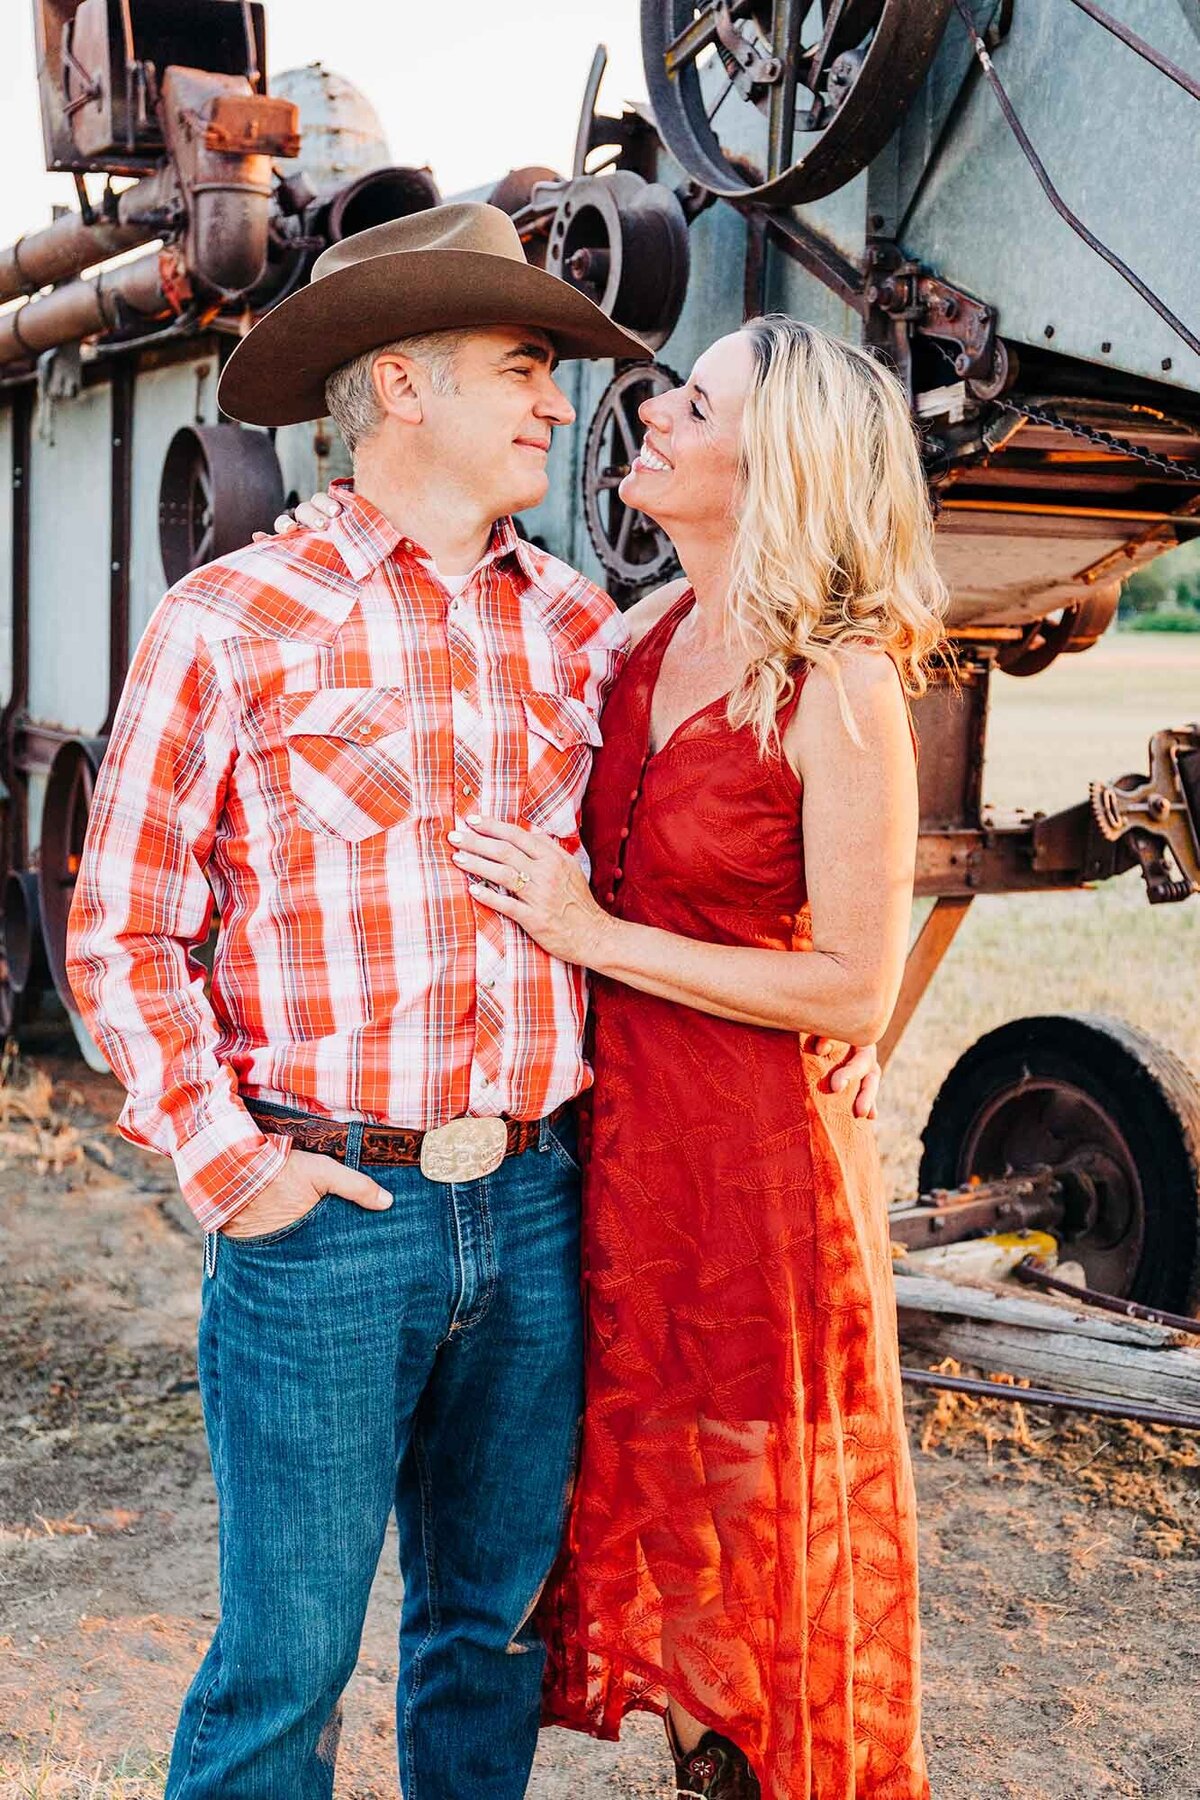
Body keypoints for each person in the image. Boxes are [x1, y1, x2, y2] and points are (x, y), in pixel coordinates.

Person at [280, 315, 945, 1797]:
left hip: (755, 1189)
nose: (649, 413)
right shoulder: (626, 636)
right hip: (611, 1171)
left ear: (772, 467)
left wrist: (595, 935)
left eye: (694, 404)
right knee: (647, 1542)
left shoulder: (838, 686)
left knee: (757, 1573)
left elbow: (852, 986)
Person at [66, 201, 657, 1800]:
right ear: (402, 384)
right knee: (288, 1666)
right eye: (525, 368)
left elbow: (642, 909)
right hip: (329, 1215)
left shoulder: (580, 633)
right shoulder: (230, 620)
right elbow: (122, 929)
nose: (556, 405)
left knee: (489, 1640)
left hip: (536, 1205)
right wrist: (230, 1168)